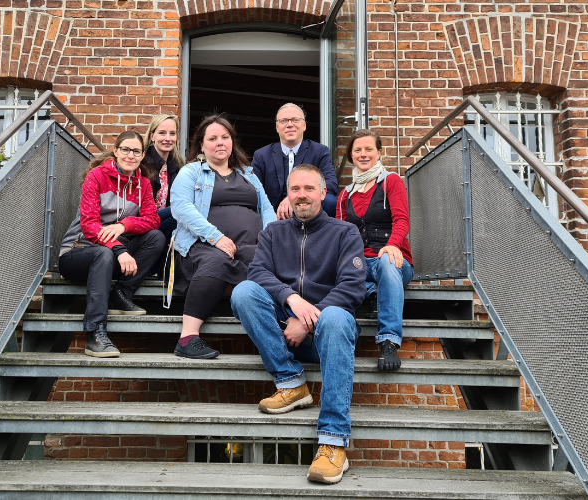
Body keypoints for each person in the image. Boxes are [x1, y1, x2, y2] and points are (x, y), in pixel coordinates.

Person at [231, 163, 365, 484]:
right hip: (284, 334)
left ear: (323, 193)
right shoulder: (272, 233)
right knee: (244, 292)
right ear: (287, 196)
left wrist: (308, 318)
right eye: (295, 190)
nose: (301, 195)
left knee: (333, 316)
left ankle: (333, 442)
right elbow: (259, 273)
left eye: (308, 189)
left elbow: (352, 286)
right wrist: (292, 300)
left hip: (328, 333)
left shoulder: (344, 232)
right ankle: (291, 382)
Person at [169, 115, 276, 359]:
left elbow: (266, 209)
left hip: (249, 246)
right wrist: (216, 237)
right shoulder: (192, 172)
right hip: (202, 245)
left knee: (269, 264)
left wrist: (270, 239)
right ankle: (187, 337)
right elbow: (181, 208)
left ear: (232, 142)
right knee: (217, 261)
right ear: (202, 145)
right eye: (213, 138)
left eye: (225, 137)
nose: (220, 143)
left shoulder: (249, 174)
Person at [58, 131, 165, 358]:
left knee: (157, 237)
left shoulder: (143, 184)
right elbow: (89, 225)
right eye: (125, 149)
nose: (130, 155)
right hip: (78, 253)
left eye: (136, 151)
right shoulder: (96, 176)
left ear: (142, 155)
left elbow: (152, 219)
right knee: (102, 255)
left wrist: (123, 226)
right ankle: (95, 333)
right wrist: (119, 249)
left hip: (114, 255)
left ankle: (121, 293)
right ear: (116, 151)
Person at [337, 129, 414, 371]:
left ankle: (389, 341)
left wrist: (392, 244)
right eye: (357, 150)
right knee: (337, 268)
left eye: (369, 149)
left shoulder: (391, 181)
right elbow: (340, 236)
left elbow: (402, 220)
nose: (363, 154)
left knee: (387, 263)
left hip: (394, 259)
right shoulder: (344, 195)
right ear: (351, 155)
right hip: (361, 263)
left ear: (379, 152)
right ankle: (370, 293)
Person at [251, 103, 339, 220]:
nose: (289, 125)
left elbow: (331, 184)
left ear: (304, 125)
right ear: (277, 127)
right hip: (274, 212)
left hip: (307, 207)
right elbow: (254, 191)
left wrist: (292, 197)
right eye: (284, 121)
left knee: (330, 201)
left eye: (295, 120)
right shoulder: (261, 155)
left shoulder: (319, 151)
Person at [143, 114, 183, 244]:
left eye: (172, 133)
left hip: (164, 221)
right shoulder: (141, 163)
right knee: (180, 210)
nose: (168, 138)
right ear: (152, 136)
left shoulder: (177, 165)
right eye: (162, 133)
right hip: (143, 222)